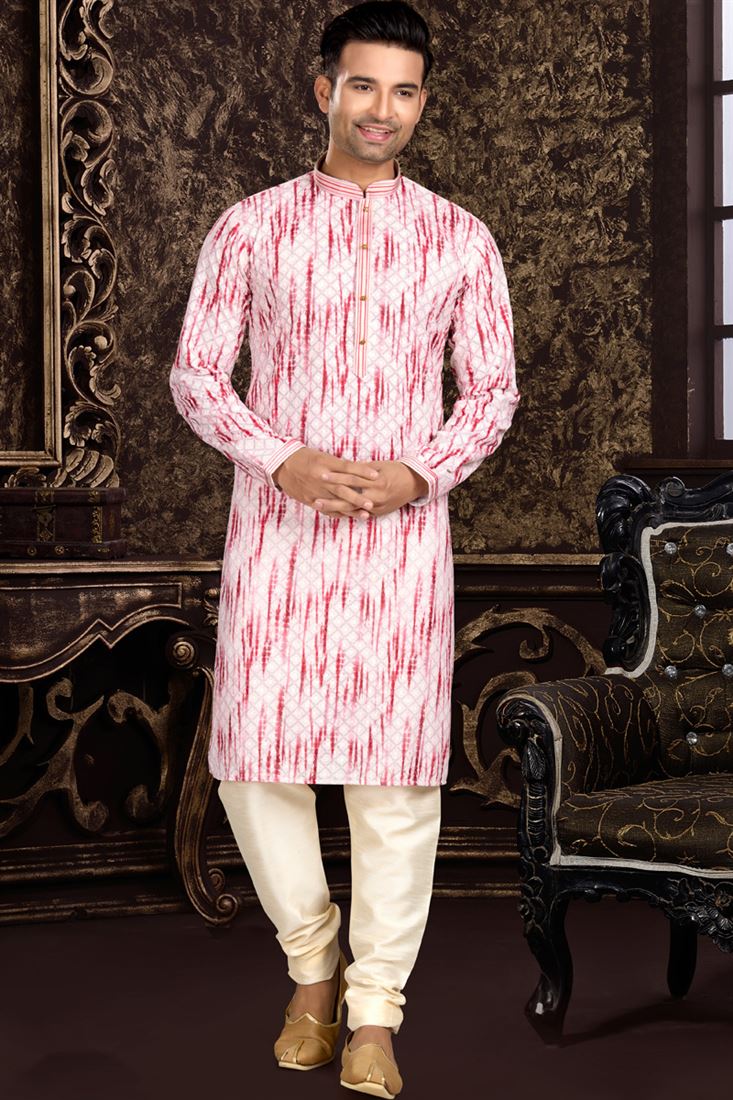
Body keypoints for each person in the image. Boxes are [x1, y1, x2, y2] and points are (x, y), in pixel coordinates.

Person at [169, 1, 519, 1094]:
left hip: (401, 542)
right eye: (363, 85)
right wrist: (280, 459)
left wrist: (419, 472)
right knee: (255, 763)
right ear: (324, 90)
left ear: (421, 102)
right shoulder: (251, 226)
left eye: (404, 91)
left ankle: (372, 1013)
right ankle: (310, 964)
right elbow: (196, 375)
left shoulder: (459, 237)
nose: (383, 109)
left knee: (393, 781)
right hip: (278, 531)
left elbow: (492, 391)